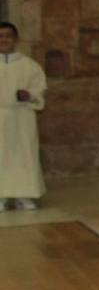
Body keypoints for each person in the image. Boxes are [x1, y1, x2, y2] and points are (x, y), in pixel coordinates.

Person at [0, 22, 46, 210]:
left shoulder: (29, 65)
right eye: (0, 36)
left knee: (24, 154)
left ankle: (24, 195)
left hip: (21, 116)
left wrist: (29, 95)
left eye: (8, 35)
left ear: (16, 39)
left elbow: (39, 90)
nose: (4, 40)